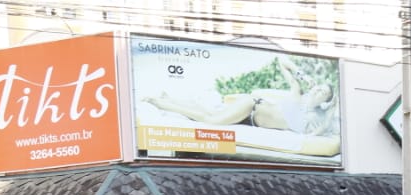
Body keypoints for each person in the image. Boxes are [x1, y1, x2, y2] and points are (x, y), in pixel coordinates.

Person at [141, 57, 340, 157]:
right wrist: (302, 74)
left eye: (323, 92)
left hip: (250, 120)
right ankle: (162, 103)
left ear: (325, 101)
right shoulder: (298, 94)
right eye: (318, 87)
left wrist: (331, 104)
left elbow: (328, 122)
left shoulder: (315, 120)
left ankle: (170, 101)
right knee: (212, 120)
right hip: (251, 106)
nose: (317, 91)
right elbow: (281, 60)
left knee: (211, 114)